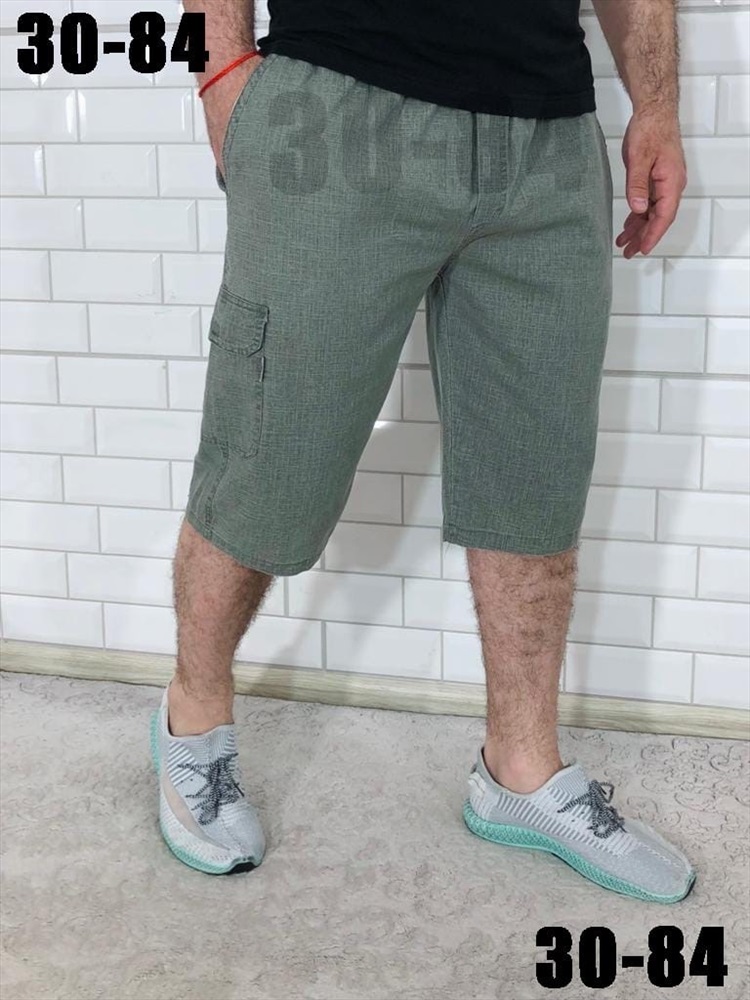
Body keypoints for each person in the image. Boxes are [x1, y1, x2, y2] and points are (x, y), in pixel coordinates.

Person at [151, 0, 695, 902]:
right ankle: (192, 723)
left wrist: (658, 105)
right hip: (336, 105)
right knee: (267, 461)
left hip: (549, 141)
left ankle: (522, 771)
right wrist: (222, 75)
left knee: (534, 477)